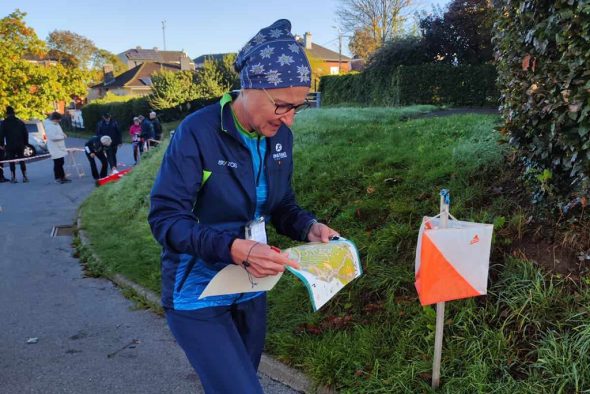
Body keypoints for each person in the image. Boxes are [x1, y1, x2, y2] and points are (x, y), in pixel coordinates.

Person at [148, 19, 338, 393]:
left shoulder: (280, 135)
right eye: (282, 105)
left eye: (297, 107)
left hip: (251, 286)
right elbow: (166, 220)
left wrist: (307, 226)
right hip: (196, 292)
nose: (289, 118)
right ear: (249, 87)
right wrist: (233, 249)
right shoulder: (197, 132)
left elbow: (280, 204)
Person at [0, 106, 28, 183]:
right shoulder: (20, 122)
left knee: (11, 161)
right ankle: (25, 176)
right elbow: (25, 133)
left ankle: (13, 177)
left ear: (7, 114)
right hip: (20, 144)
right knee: (21, 160)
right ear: (14, 113)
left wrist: (1, 144)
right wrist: (26, 143)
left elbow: (1, 134)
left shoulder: (4, 123)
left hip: (10, 145)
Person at [44, 112, 71, 184]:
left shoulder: (56, 124)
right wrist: (62, 137)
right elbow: (52, 137)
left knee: (61, 162)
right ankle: (58, 178)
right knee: (57, 163)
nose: (60, 121)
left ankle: (63, 177)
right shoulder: (49, 126)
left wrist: (63, 134)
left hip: (59, 146)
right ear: (54, 119)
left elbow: (60, 131)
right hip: (54, 147)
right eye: (58, 119)